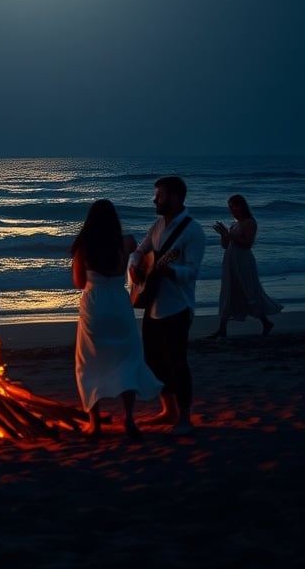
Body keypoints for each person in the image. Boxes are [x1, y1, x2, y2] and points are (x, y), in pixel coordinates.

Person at [71, 199, 162, 441]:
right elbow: (143, 258)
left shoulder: (84, 246)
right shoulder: (126, 243)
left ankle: (94, 423)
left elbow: (79, 282)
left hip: (95, 304)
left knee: (88, 362)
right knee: (127, 358)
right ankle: (129, 418)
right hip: (119, 303)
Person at [127, 175, 205, 436]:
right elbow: (139, 251)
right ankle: (168, 410)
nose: (154, 200)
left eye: (159, 195)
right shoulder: (158, 225)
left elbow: (191, 271)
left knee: (177, 362)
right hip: (154, 305)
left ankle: (184, 417)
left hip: (177, 307)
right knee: (154, 360)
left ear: (176, 197)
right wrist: (137, 268)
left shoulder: (193, 231)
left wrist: (167, 270)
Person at [209, 194, 283, 338]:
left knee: (248, 290)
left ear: (242, 206)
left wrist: (229, 235)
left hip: (242, 260)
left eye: (234, 206)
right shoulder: (234, 224)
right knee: (228, 290)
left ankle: (265, 321)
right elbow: (225, 246)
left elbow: (247, 244)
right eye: (230, 207)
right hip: (230, 260)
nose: (232, 210)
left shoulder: (249, 223)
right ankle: (222, 328)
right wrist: (223, 234)